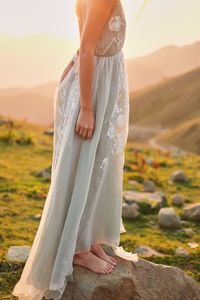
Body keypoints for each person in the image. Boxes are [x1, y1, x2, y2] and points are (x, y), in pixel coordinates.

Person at [12, 0, 138, 299]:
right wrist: (86, 108)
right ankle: (78, 250)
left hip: (104, 83)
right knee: (84, 166)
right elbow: (86, 49)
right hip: (92, 88)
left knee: (98, 166)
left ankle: (87, 236)